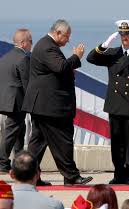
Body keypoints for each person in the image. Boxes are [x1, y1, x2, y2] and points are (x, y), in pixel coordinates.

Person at [21, 19, 93, 186]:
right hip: (49, 106)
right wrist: (76, 56)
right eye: (66, 36)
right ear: (58, 33)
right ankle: (72, 176)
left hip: (43, 105)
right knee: (63, 141)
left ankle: (29, 177)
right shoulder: (47, 46)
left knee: (37, 145)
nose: (68, 40)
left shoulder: (46, 45)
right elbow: (61, 67)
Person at [87, 20, 129, 185]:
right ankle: (118, 173)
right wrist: (103, 45)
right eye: (122, 34)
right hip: (115, 104)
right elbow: (91, 59)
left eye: (127, 34)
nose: (124, 37)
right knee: (117, 143)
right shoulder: (113, 53)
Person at [0, 29, 32, 173]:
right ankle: (2, 162)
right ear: (23, 43)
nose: (31, 44)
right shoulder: (23, 58)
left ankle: (18, 161)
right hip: (16, 102)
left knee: (19, 130)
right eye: (30, 41)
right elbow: (27, 83)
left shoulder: (5, 57)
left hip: (6, 100)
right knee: (11, 132)